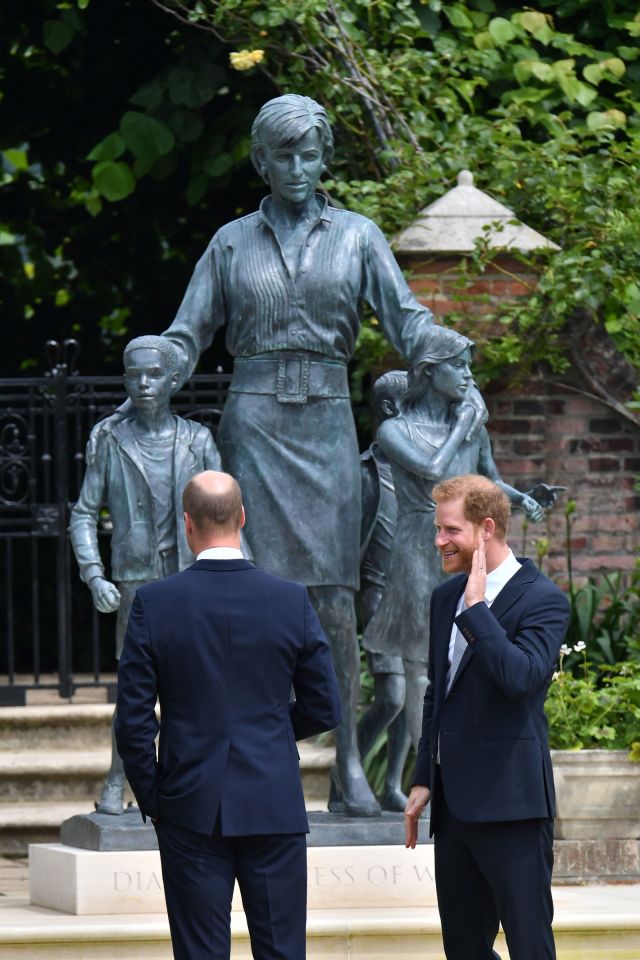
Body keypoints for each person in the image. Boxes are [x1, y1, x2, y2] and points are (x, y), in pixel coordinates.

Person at [153, 93, 486, 816]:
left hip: (329, 426)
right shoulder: (231, 242)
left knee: (334, 599)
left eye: (310, 154)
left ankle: (346, 769)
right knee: (245, 594)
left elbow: (408, 321)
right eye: (283, 155)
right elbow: (188, 333)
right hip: (255, 423)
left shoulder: (359, 237)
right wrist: (155, 375)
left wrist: (455, 361)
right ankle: (246, 753)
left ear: (324, 158)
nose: (298, 168)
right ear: (260, 160)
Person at [115, 470, 342, 960]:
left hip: (188, 802)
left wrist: (155, 796)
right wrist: (273, 734)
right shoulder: (290, 599)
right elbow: (325, 704)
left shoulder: (154, 603)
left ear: (187, 524)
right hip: (272, 799)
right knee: (282, 952)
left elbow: (133, 720)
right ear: (242, 517)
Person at [404, 474, 570, 960]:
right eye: (438, 529)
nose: (439, 540)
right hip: (453, 810)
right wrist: (423, 778)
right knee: (464, 949)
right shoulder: (442, 598)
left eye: (450, 530)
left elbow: (521, 680)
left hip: (513, 806)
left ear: (487, 528)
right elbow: (439, 691)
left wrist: (478, 610)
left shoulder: (544, 599)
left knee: (530, 945)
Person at [363, 326, 552, 751]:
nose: (468, 376)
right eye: (459, 366)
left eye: (469, 367)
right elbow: (433, 470)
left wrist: (525, 499)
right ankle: (431, 769)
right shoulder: (397, 430)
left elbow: (489, 482)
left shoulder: (471, 428)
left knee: (472, 652)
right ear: (430, 371)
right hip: (418, 545)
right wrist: (464, 422)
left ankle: (466, 758)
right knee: (420, 665)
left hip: (469, 551)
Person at [69, 335, 221, 814]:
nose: (144, 383)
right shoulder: (110, 439)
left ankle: (184, 782)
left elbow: (229, 512)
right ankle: (119, 778)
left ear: (174, 380)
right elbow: (83, 513)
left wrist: (234, 578)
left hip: (192, 578)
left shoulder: (198, 440)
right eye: (134, 374)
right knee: (136, 691)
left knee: (195, 685)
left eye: (154, 374)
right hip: (136, 582)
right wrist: (94, 575)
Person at [356, 370, 411, 811]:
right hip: (377, 598)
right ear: (391, 409)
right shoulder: (363, 473)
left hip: (417, 595)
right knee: (392, 696)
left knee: (412, 694)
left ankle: (392, 784)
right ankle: (348, 770)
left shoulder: (421, 471)